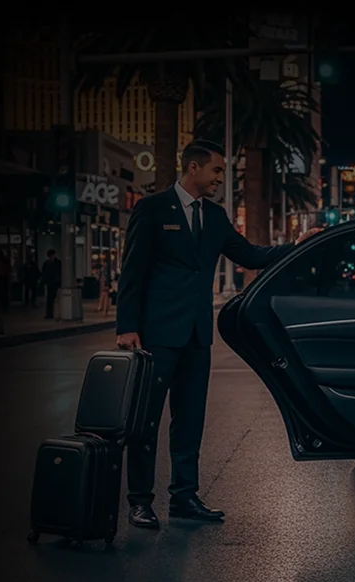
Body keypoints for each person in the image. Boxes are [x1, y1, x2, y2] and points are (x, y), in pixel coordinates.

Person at [114, 139, 320, 529]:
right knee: (146, 422)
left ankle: (184, 497)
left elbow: (250, 255)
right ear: (193, 168)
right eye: (217, 171)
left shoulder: (215, 216)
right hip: (156, 335)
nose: (220, 179)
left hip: (196, 336)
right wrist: (127, 327)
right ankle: (139, 501)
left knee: (190, 420)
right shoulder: (152, 209)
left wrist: (296, 247)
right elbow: (132, 273)